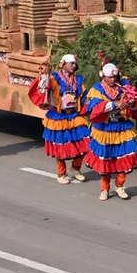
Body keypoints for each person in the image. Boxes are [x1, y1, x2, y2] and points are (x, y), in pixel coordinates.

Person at [84, 62, 137, 200]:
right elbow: (94, 109)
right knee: (105, 159)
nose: (112, 80)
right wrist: (114, 104)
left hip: (122, 126)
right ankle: (105, 189)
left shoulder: (124, 87)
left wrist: (132, 104)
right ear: (103, 76)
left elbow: (135, 108)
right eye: (109, 77)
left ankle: (120, 186)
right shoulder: (96, 90)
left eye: (114, 77)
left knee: (124, 157)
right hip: (105, 128)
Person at [30, 55, 89, 184]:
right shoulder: (54, 77)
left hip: (74, 116)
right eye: (71, 63)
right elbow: (42, 87)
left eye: (75, 63)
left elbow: (84, 96)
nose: (74, 65)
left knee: (85, 143)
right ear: (63, 64)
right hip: (59, 116)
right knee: (60, 147)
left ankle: (76, 168)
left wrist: (89, 107)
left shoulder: (78, 79)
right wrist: (44, 75)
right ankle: (61, 174)